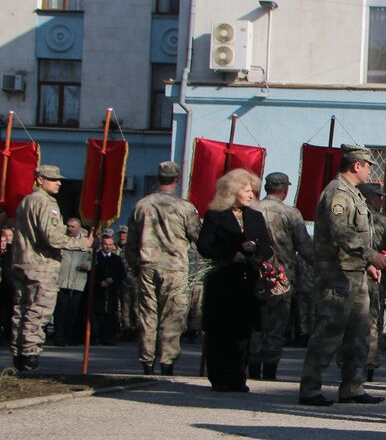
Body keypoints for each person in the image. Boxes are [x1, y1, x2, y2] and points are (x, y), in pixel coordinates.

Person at [299, 145, 386, 407]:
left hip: (355, 272)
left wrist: (366, 262)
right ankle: (310, 388)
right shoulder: (338, 194)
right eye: (368, 166)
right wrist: (371, 254)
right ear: (356, 166)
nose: (370, 172)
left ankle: (353, 387)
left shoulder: (354, 194)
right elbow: (342, 233)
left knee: (360, 333)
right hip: (336, 275)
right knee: (329, 332)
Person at [197, 169, 272, 392]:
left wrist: (256, 248)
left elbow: (267, 247)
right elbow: (205, 245)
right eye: (247, 190)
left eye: (253, 191)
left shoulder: (255, 216)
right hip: (223, 280)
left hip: (247, 281)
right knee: (220, 331)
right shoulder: (215, 214)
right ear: (233, 190)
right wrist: (230, 253)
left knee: (243, 332)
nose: (251, 195)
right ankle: (219, 377)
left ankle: (238, 377)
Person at [9, 165, 88, 371]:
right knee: (38, 310)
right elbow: (52, 238)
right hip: (41, 265)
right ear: (39, 180)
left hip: (23, 262)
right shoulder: (45, 202)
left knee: (22, 310)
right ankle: (30, 356)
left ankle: (19, 354)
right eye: (53, 179)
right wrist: (83, 244)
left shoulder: (26, 201)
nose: (59, 182)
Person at [127, 161, 202, 375]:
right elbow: (198, 237)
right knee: (173, 316)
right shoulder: (184, 207)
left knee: (147, 315)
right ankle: (167, 362)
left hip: (147, 266)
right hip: (174, 268)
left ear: (159, 178)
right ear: (177, 180)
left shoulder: (142, 205)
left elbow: (131, 244)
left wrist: (136, 267)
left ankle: (147, 362)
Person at [250, 172, 312, 381]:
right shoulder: (290, 213)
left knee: (256, 323)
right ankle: (269, 369)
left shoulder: (251, 208)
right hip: (280, 277)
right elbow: (305, 247)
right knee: (276, 326)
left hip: (253, 273)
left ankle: (252, 367)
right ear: (285, 190)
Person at [357, 182, 386, 382]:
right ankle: (369, 365)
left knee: (352, 318)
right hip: (375, 276)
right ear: (369, 196)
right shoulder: (385, 222)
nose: (381, 201)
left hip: (353, 272)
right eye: (379, 197)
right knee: (373, 319)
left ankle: (347, 364)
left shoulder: (351, 216)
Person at [52, 218, 91, 345]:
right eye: (68, 226)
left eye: (73, 226)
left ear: (79, 228)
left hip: (78, 282)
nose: (69, 228)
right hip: (62, 282)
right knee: (60, 312)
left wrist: (88, 266)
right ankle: (58, 338)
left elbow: (92, 260)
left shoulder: (86, 242)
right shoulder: (61, 240)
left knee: (72, 313)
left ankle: (70, 337)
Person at [91, 231, 127, 346]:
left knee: (110, 314)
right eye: (106, 244)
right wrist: (99, 282)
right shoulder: (96, 257)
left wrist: (113, 279)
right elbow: (91, 273)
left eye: (110, 245)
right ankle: (96, 337)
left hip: (111, 291)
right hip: (98, 290)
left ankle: (108, 337)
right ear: (102, 244)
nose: (108, 247)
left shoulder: (117, 259)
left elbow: (122, 274)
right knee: (97, 315)